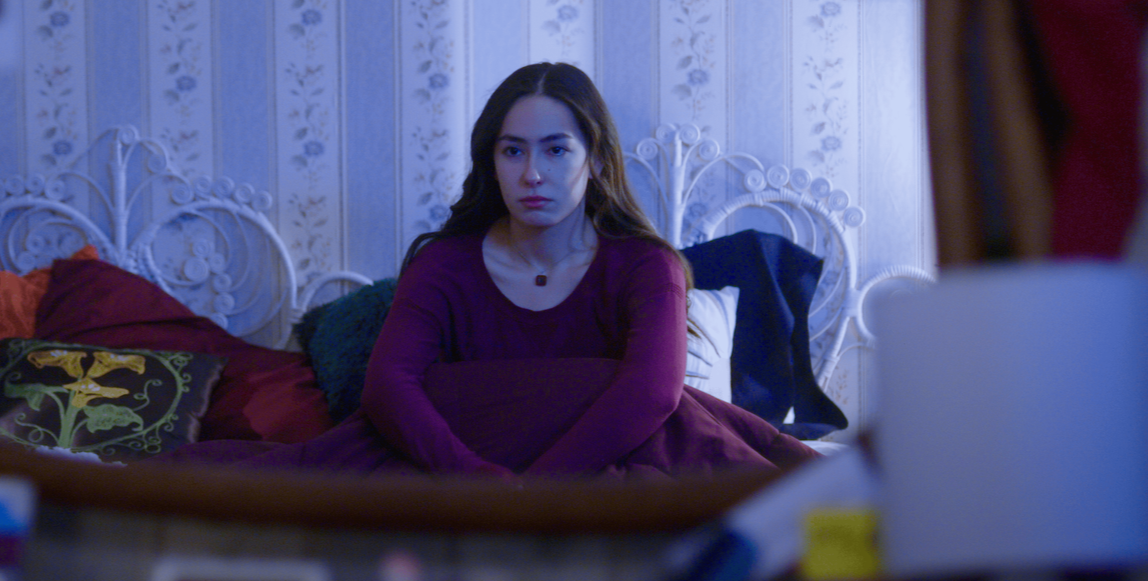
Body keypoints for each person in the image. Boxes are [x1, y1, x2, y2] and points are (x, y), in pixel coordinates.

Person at [172, 62, 815, 478]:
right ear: (492, 162)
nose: (532, 174)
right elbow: (389, 388)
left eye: (556, 150)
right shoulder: (446, 263)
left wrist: (538, 493)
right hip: (452, 467)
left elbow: (649, 395)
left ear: (595, 160)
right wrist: (478, 483)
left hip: (610, 462)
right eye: (513, 151)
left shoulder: (647, 266)